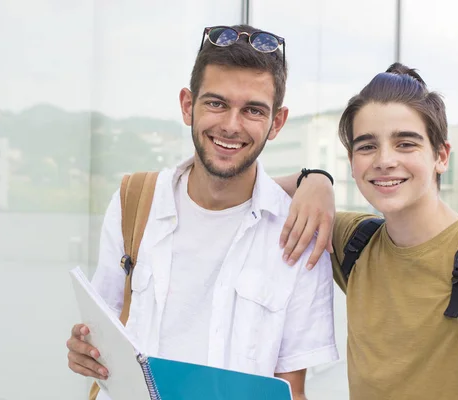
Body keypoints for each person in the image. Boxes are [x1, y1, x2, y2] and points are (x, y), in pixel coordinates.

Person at [66, 24, 338, 400]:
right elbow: (103, 334)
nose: (231, 125)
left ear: (277, 122)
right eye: (216, 103)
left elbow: (291, 390)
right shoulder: (133, 202)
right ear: (187, 105)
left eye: (253, 110)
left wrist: (318, 180)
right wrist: (86, 351)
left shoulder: (299, 232)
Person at [276, 63, 458, 399]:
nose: (384, 160)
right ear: (352, 163)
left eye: (405, 144)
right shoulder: (355, 242)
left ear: (441, 156)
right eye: (367, 146)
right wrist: (315, 180)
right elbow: (247, 192)